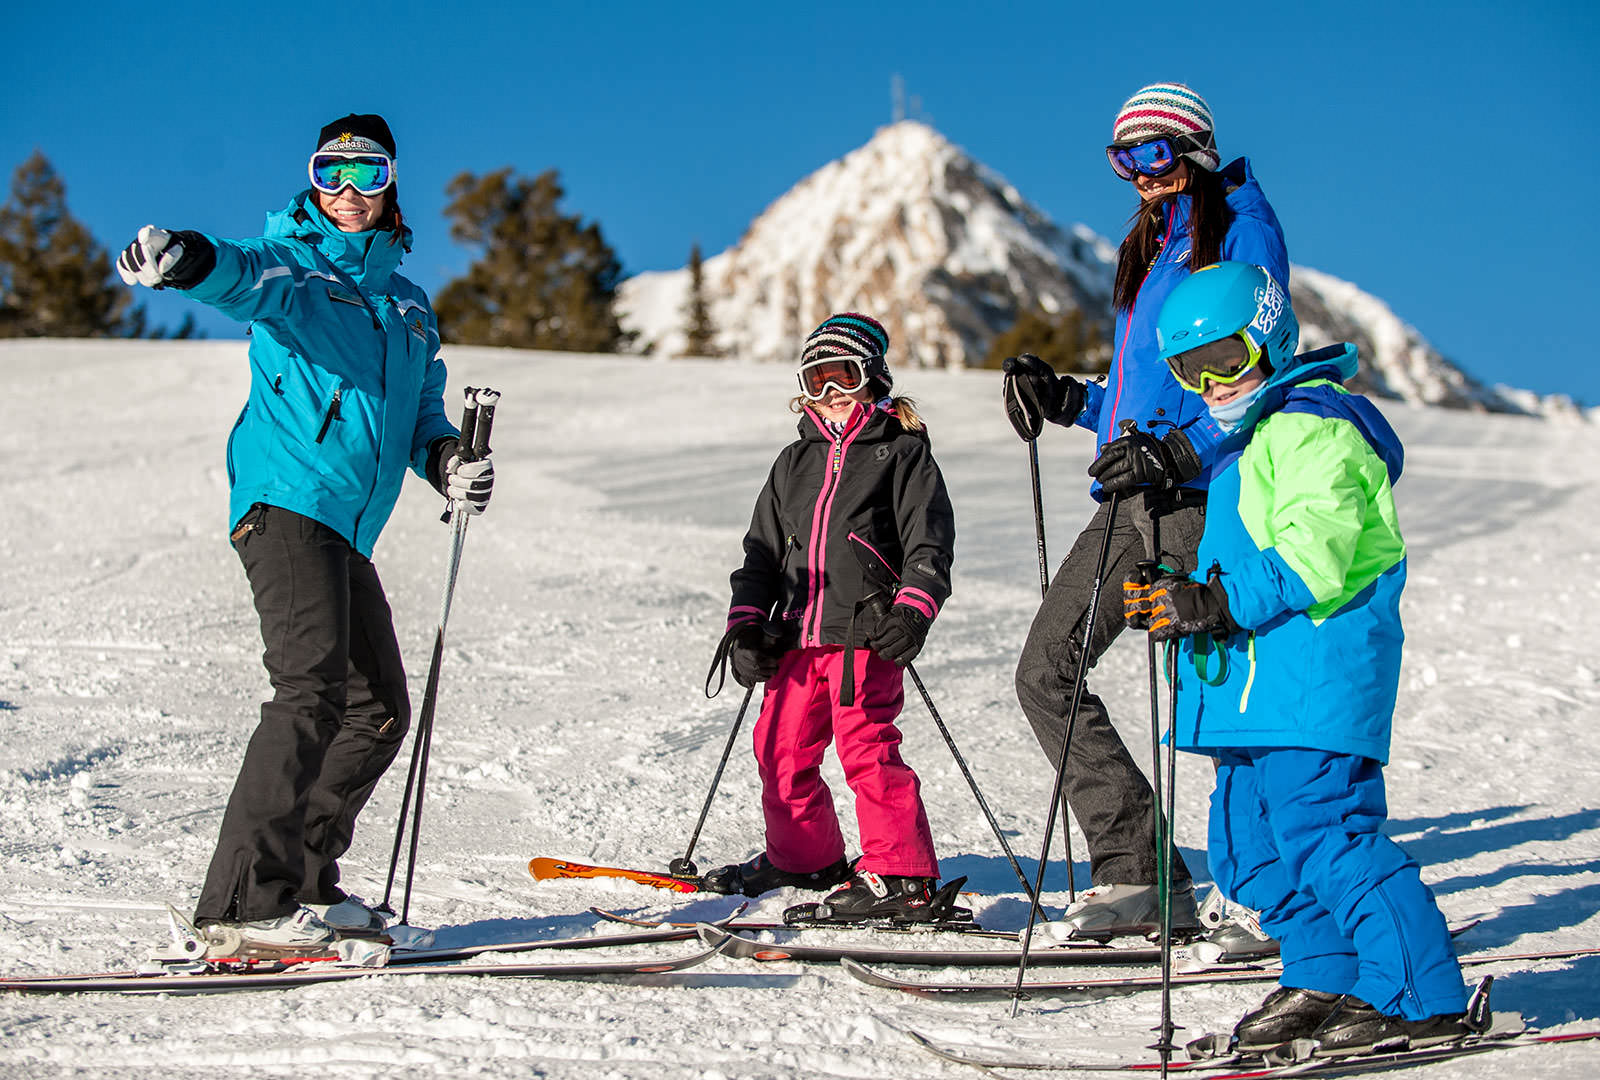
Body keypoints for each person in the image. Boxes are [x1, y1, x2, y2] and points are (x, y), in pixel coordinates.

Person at [116, 114, 496, 951]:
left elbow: (421, 415)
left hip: (346, 528)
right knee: (311, 692)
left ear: (391, 180)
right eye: (333, 172)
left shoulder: (407, 303)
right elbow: (239, 276)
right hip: (287, 502)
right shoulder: (295, 263)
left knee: (377, 710)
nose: (351, 192)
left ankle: (307, 880)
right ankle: (244, 904)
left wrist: (446, 465)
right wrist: (185, 256)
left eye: (369, 172)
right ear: (312, 180)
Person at [1124, 261, 1469, 1054]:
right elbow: (1242, 565)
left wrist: (1214, 601)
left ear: (1272, 337)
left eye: (1226, 360)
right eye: (1189, 369)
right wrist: (1183, 593)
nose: (1210, 383)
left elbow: (1320, 549)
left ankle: (1418, 990)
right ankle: (1327, 971)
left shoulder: (1316, 425)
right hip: (1251, 690)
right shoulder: (1245, 444)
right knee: (1246, 854)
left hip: (1313, 679)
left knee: (1328, 836)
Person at [1001, 82, 1288, 937]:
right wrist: (1073, 401)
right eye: (1122, 159)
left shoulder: (1238, 231)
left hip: (1194, 492)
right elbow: (1148, 393)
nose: (1138, 175)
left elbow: (1250, 371)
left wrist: (1183, 449)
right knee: (1045, 672)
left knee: (1216, 698)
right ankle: (1139, 874)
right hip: (1133, 491)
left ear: (1194, 148)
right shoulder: (1156, 242)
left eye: (1153, 154)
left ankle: (1277, 893)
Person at [699, 314, 958, 923]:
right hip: (795, 633)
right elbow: (761, 551)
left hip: (864, 631)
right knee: (779, 747)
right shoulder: (793, 461)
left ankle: (900, 874)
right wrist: (745, 625)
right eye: (816, 378)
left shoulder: (902, 454)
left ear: (873, 377)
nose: (829, 392)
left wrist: (913, 610)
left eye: (843, 375)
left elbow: (929, 546)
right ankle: (803, 857)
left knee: (867, 746)